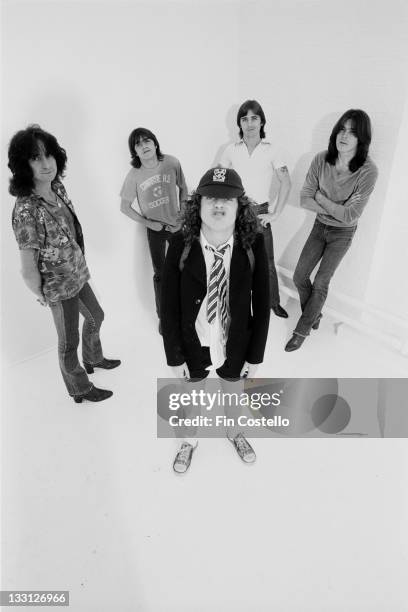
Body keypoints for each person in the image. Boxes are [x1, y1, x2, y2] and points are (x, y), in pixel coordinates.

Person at [161, 167, 270, 473]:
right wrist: (173, 353)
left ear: (240, 206)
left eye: (228, 199)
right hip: (192, 339)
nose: (219, 205)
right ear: (199, 204)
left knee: (233, 394)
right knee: (192, 396)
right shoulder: (180, 243)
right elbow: (167, 305)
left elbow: (262, 303)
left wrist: (256, 354)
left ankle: (235, 432)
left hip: (234, 341)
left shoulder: (253, 244)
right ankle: (189, 440)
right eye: (211, 198)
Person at [9, 125, 120, 403]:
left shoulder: (57, 187)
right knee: (68, 343)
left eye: (49, 155)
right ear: (24, 165)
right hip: (58, 288)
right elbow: (27, 268)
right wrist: (43, 294)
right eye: (36, 158)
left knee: (97, 316)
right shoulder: (26, 210)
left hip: (78, 274)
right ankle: (79, 388)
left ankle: (93, 359)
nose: (46, 164)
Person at [285, 109, 378, 351]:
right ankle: (314, 315)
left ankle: (301, 331)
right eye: (341, 129)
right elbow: (305, 198)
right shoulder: (321, 159)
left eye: (352, 132)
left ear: (362, 139)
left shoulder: (368, 171)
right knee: (299, 276)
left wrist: (322, 200)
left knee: (321, 281)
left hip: (343, 233)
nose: (344, 136)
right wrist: (333, 208)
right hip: (319, 227)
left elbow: (350, 215)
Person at [220, 99, 291, 318]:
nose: (249, 123)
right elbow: (219, 180)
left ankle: (273, 302)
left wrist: (276, 213)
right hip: (237, 212)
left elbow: (286, 182)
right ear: (239, 124)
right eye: (244, 119)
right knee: (235, 260)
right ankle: (235, 304)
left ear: (261, 122)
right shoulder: (230, 150)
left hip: (260, 213)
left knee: (266, 262)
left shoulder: (272, 150)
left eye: (254, 118)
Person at [120, 128, 188, 330]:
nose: (144, 146)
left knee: (184, 268)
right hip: (155, 230)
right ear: (135, 152)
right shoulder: (134, 175)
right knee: (160, 273)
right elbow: (124, 207)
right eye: (138, 144)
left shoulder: (171, 163)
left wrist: (183, 216)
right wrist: (149, 223)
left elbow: (184, 189)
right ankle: (163, 316)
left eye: (147, 141)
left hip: (177, 226)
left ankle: (186, 311)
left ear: (155, 143)